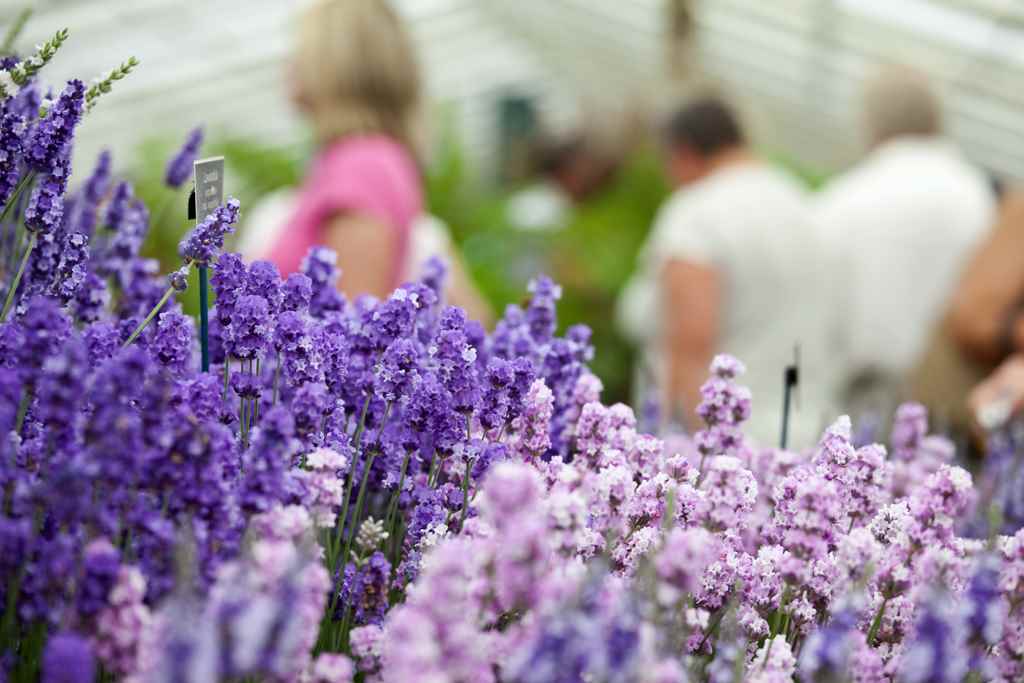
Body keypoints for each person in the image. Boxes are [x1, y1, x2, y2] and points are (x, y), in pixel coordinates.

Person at [617, 96, 835, 447]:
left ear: (683, 153)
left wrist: (692, 457)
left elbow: (690, 348)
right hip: (804, 434)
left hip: (733, 452)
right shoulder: (804, 204)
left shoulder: (697, 214)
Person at [255, 0, 490, 324]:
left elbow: (350, 337)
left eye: (301, 49)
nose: (288, 64)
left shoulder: (363, 165)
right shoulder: (352, 159)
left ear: (336, 61)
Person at [814, 65, 996, 421]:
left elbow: (820, 315)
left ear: (870, 122)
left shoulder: (844, 199)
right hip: (955, 394)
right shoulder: (978, 197)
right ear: (937, 118)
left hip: (865, 395)